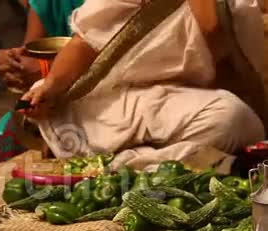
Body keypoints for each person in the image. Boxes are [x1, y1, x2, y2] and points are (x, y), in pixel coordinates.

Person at [21, 0, 266, 170]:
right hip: (118, 99)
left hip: (181, 101)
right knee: (59, 100)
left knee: (233, 116)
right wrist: (51, 86)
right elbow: (84, 41)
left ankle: (129, 165)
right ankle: (162, 162)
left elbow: (212, 28)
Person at [0, 0, 84, 167]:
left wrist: (48, 70)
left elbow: (112, 53)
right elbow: (30, 54)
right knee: (1, 144)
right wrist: (11, 63)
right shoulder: (46, 3)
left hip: (107, 95)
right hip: (47, 96)